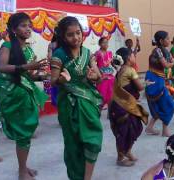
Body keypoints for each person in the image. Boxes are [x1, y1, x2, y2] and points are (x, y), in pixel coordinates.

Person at [0, 13, 49, 180]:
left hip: (25, 92)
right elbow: (2, 68)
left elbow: (29, 76)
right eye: (23, 25)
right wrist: (29, 65)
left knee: (26, 133)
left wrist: (45, 77)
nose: (28, 28)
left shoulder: (28, 49)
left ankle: (23, 167)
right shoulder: (7, 45)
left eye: (29, 25)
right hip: (12, 93)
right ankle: (21, 172)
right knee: (23, 133)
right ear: (13, 29)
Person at [50, 16, 103, 180]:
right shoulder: (59, 54)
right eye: (70, 35)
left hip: (87, 102)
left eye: (78, 33)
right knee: (73, 146)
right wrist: (61, 79)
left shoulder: (87, 53)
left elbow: (98, 76)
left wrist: (94, 76)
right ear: (63, 37)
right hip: (69, 105)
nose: (76, 38)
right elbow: (53, 81)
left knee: (93, 141)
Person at [145, 31, 174, 137]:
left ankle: (150, 128)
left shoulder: (165, 51)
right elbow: (166, 65)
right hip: (154, 80)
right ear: (161, 41)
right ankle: (164, 130)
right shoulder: (157, 51)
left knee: (161, 104)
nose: (169, 40)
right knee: (169, 104)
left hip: (160, 79)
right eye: (167, 38)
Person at [108, 47, 149, 167]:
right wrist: (146, 84)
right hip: (124, 106)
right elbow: (140, 87)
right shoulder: (130, 70)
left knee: (125, 130)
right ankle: (120, 158)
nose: (134, 57)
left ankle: (127, 151)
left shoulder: (119, 70)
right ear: (127, 58)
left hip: (118, 105)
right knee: (127, 130)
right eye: (132, 55)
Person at [95, 37, 114, 110]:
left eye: (107, 42)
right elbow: (93, 63)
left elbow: (112, 63)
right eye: (104, 42)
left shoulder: (110, 53)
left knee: (111, 86)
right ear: (100, 44)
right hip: (101, 74)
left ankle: (109, 104)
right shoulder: (98, 53)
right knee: (102, 90)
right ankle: (101, 104)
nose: (106, 44)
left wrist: (117, 67)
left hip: (109, 73)